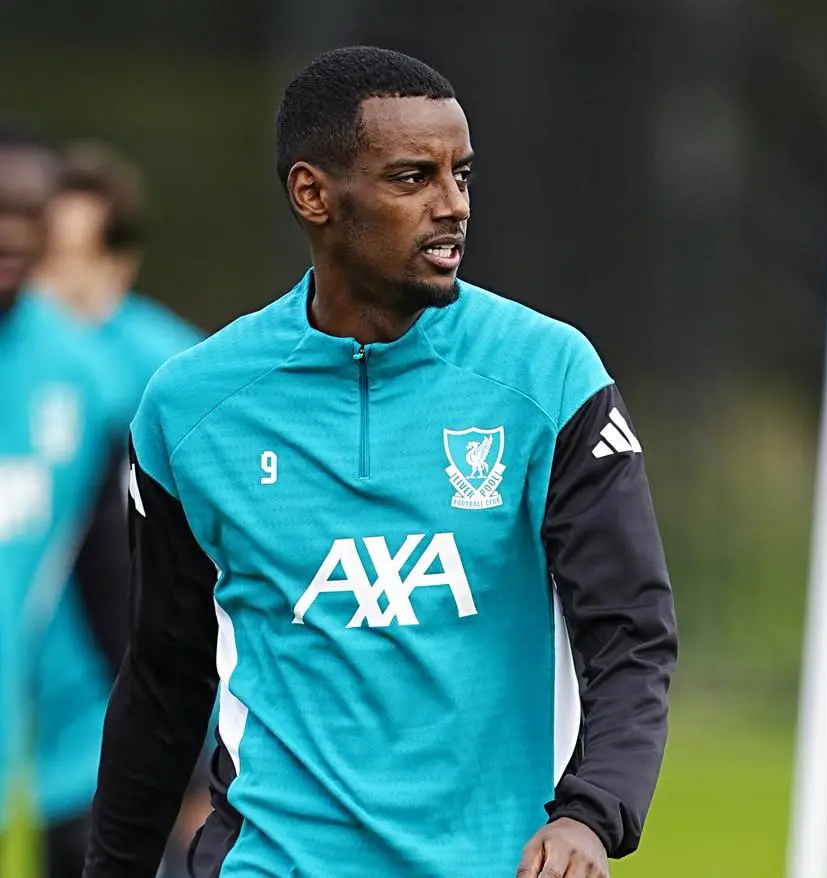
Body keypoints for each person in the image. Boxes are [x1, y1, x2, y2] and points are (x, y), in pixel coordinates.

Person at [84, 45, 678, 878]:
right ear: (313, 194)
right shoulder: (191, 407)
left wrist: (591, 812)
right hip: (270, 861)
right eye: (412, 179)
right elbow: (162, 679)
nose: (453, 206)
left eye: (462, 176)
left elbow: (629, 633)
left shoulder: (551, 377)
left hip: (493, 862)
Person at [28, 141, 208, 878]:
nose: (44, 279)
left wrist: (201, 759)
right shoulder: (26, 365)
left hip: (131, 731)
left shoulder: (171, 376)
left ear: (117, 263)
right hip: (48, 720)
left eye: (67, 256)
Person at [0, 120, 131, 877]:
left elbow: (109, 579)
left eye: (30, 211)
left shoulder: (86, 377)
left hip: (31, 766)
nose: (12, 231)